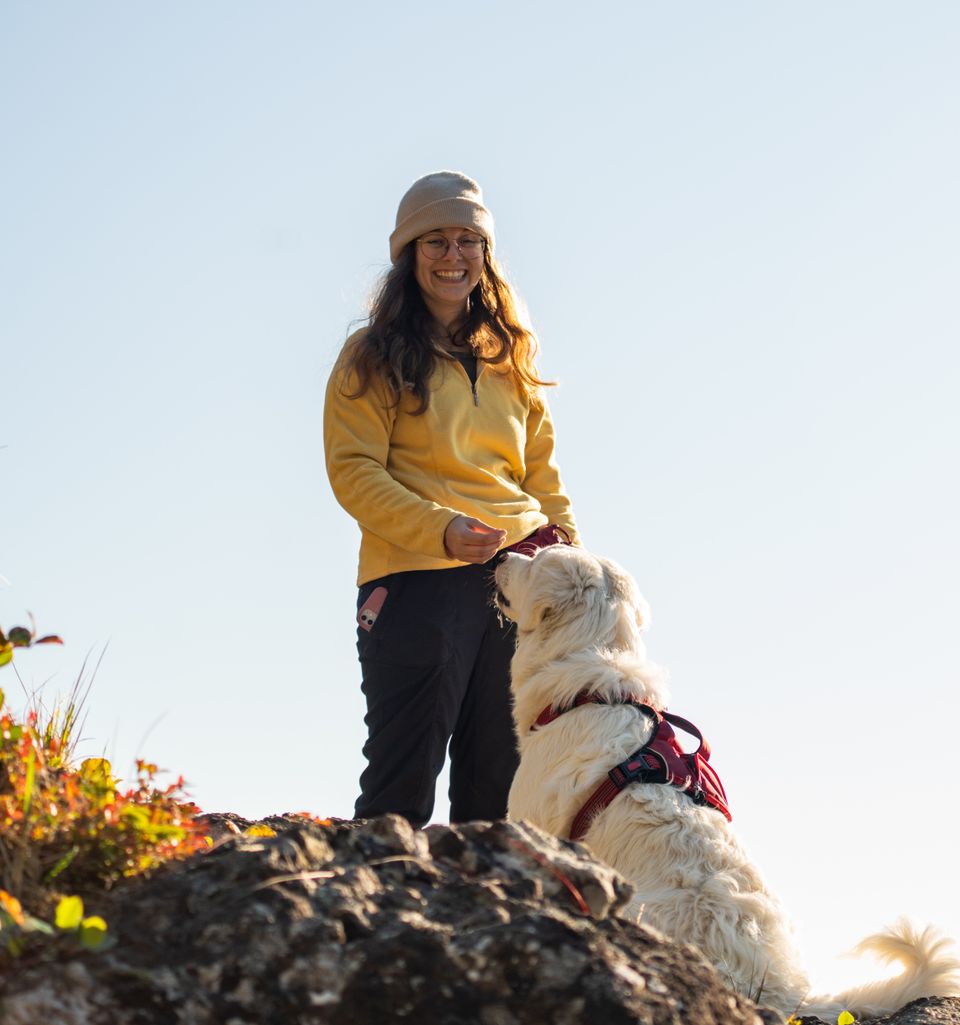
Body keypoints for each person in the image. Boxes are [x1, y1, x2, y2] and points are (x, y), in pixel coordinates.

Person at [324, 170, 580, 827]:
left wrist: (569, 557)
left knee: (503, 794)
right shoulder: (371, 356)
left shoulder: (511, 358)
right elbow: (353, 470)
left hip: (520, 583)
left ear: (485, 254)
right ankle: (380, 924)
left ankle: (489, 928)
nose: (453, 255)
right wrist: (440, 529)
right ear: (408, 253)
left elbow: (542, 475)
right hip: (415, 582)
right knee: (399, 788)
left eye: (469, 240)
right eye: (435, 240)